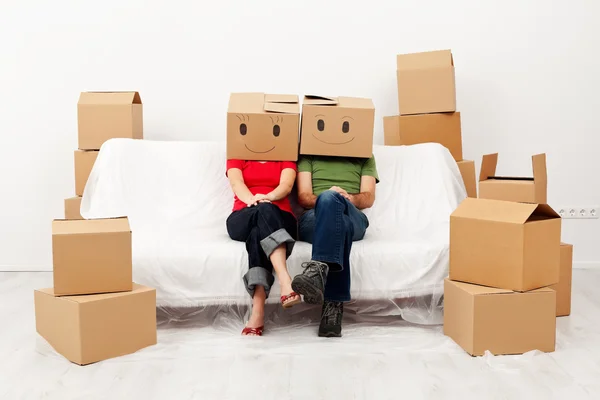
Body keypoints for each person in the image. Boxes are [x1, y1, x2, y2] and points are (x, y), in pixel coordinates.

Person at [292, 155, 378, 337]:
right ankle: (333, 305)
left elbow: (369, 197)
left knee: (340, 214)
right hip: (314, 218)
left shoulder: (364, 155)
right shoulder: (309, 153)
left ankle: (316, 272)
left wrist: (348, 199)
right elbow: (304, 197)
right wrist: (329, 197)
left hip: (354, 214)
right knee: (340, 222)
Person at [226, 160, 300, 336]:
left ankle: (257, 311)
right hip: (244, 214)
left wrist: (268, 198)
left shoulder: (285, 154)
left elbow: (287, 185)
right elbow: (237, 183)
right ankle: (285, 281)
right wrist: (254, 201)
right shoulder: (239, 152)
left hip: (281, 217)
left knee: (258, 232)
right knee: (262, 212)